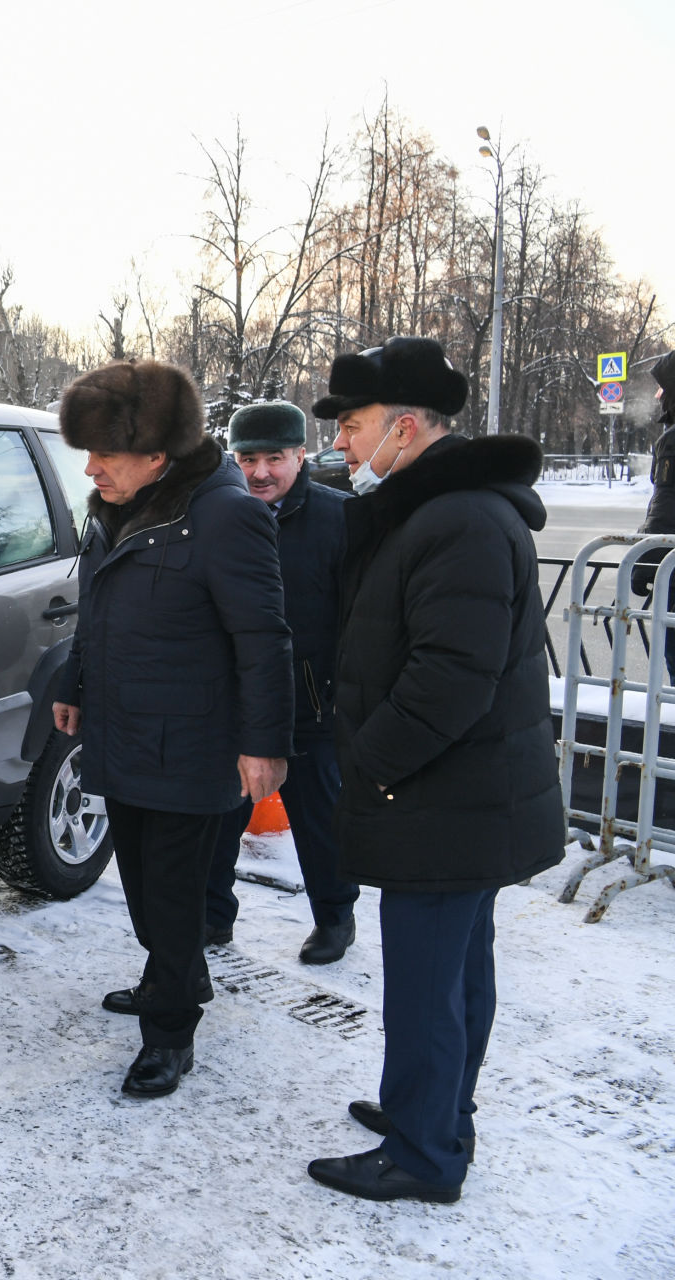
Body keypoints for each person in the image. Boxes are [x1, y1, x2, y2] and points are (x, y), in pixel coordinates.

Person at [303, 337, 564, 1204]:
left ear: (406, 428)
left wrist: (367, 763)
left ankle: (423, 1153)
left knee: (426, 982)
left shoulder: (457, 521)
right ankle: (435, 1111)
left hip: (442, 797)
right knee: (453, 972)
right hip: (456, 798)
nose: (340, 441)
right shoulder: (432, 509)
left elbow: (451, 679)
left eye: (353, 424)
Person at [54, 360, 293, 1099]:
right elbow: (95, 607)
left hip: (192, 742)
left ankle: (169, 1031)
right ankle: (173, 974)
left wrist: (263, 744)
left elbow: (264, 639)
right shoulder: (114, 507)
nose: (91, 470)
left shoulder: (225, 515)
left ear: (157, 456)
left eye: (105, 455)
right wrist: (73, 680)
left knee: (174, 894)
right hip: (124, 729)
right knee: (141, 885)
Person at [204, 402, 361, 964]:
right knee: (218, 819)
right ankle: (212, 917)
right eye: (248, 459)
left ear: (301, 455)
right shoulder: (217, 515)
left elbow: (362, 617)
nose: (262, 472)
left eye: (276, 457)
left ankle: (335, 917)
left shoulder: (340, 519)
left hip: (312, 704)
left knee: (320, 822)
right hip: (236, 702)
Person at [631, 352, 675, 681]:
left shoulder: (672, 441)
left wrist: (644, 561)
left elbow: (667, 508)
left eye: (663, 388)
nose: (658, 396)